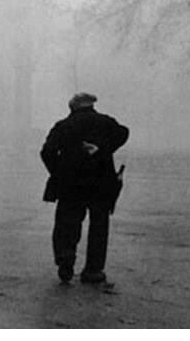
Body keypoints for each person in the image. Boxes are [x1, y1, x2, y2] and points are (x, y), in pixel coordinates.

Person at [40, 92, 129, 284]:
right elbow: (123, 133)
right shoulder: (106, 123)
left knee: (67, 222)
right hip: (101, 182)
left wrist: (58, 171)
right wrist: (102, 149)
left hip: (71, 184)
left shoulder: (63, 125)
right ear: (91, 106)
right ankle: (93, 270)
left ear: (72, 107)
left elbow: (47, 152)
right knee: (99, 226)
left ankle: (66, 255)